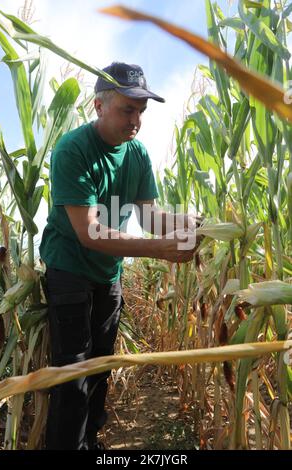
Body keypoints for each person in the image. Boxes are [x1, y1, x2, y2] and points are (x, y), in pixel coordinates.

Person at [39, 62, 199, 450]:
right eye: (128, 109)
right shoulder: (73, 150)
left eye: (141, 112)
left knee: (101, 368)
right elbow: (89, 231)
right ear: (99, 105)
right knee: (73, 374)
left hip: (108, 275)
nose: (136, 120)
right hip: (70, 270)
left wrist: (194, 223)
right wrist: (158, 250)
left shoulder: (137, 154)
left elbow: (149, 216)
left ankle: (89, 441)